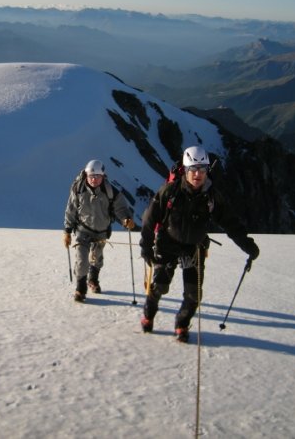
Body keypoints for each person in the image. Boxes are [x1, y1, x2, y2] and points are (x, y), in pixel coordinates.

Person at [139, 146, 259, 342]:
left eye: (202, 170)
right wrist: (146, 247)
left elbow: (230, 222)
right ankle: (148, 315)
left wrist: (248, 245)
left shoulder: (211, 197)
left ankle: (182, 325)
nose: (197, 174)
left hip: (194, 247)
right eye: (193, 170)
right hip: (167, 243)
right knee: (159, 286)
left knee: (194, 294)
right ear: (185, 170)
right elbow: (149, 219)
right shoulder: (170, 191)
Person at [63, 160, 136, 302]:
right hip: (82, 230)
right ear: (86, 175)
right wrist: (67, 231)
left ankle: (93, 279)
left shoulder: (110, 192)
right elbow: (71, 210)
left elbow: (120, 208)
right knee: (82, 260)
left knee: (96, 258)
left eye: (97, 176)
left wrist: (125, 218)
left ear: (103, 176)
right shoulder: (78, 189)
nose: (94, 179)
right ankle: (80, 288)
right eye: (91, 176)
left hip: (101, 232)